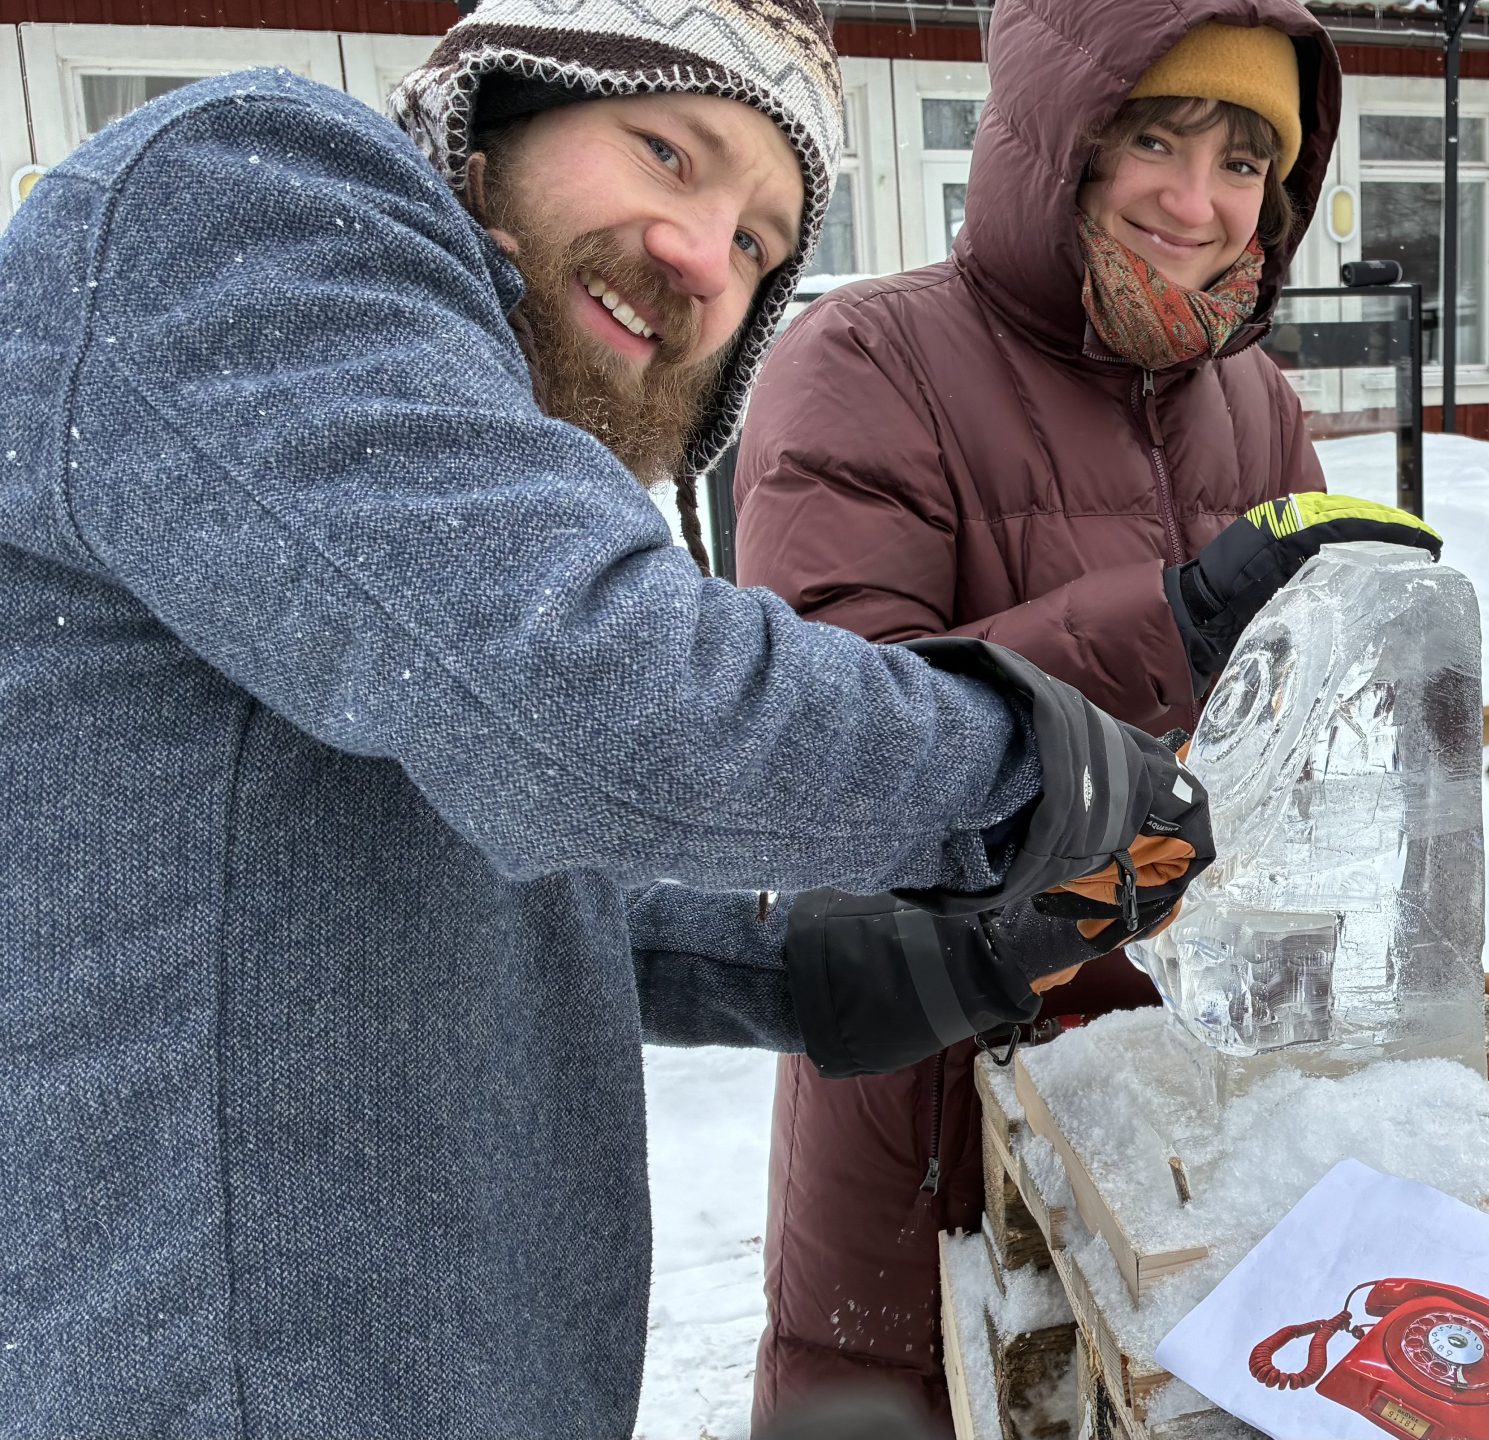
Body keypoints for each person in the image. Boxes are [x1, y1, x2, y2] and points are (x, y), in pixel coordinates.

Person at [0, 0, 1213, 1434]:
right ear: (507, 106)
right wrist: (1026, 764)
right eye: (666, 151)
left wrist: (834, 962)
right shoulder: (250, 194)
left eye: (763, 244)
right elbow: (607, 700)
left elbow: (455, 861)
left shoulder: (410, 485)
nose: (706, 256)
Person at [729, 0, 1438, 1423]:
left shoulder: (1255, 400)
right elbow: (829, 752)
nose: (1198, 200)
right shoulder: (867, 362)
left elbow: (1281, 759)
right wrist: (1170, 621)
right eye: (1153, 138)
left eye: (1245, 159)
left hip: (1195, 1116)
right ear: (1056, 143)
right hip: (942, 1098)